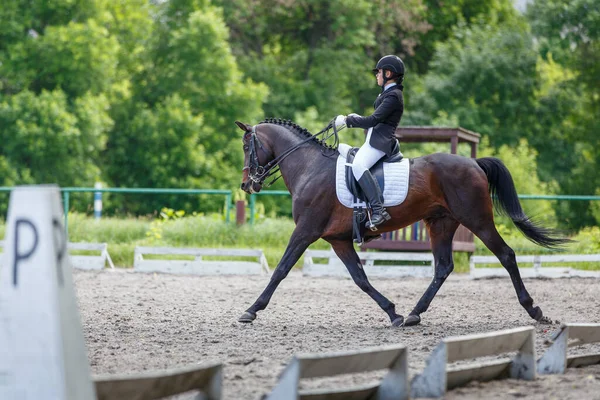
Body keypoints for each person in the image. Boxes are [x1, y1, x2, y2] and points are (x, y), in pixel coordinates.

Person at [335, 54, 405, 231]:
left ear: (388, 73)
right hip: (372, 140)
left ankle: (378, 209)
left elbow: (373, 120)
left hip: (380, 143)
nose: (376, 75)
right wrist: (356, 117)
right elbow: (375, 120)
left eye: (379, 72)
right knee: (341, 149)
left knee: (358, 165)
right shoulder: (387, 93)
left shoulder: (394, 96)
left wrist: (348, 121)